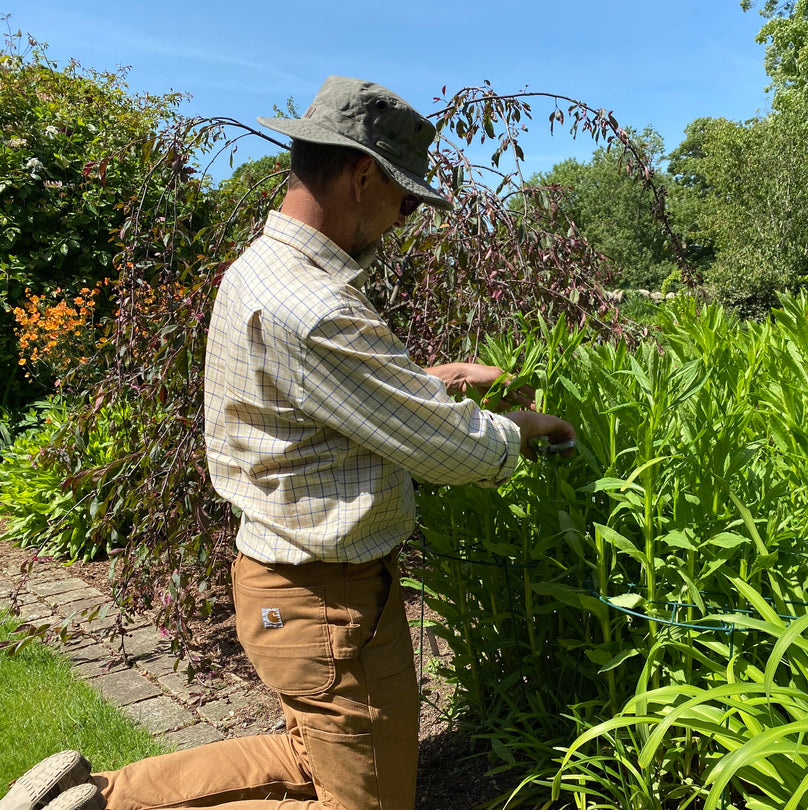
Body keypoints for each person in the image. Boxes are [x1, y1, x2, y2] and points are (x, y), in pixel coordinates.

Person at [1, 76, 575, 810]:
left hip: (301, 587)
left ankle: (96, 798)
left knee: (314, 760)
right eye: (405, 199)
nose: (406, 220)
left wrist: (444, 376)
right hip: (326, 598)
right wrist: (531, 429)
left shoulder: (268, 270)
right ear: (363, 175)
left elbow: (330, 399)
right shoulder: (317, 305)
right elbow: (454, 451)